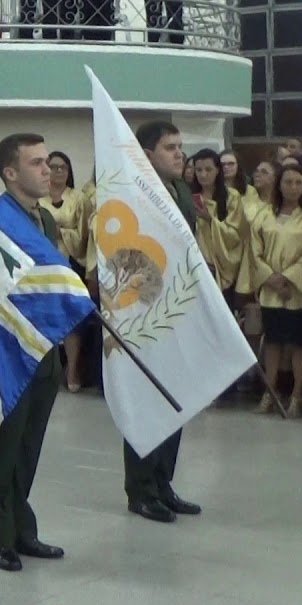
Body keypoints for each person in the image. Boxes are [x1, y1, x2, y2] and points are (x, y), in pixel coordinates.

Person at [0, 133, 65, 573]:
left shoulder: (46, 220)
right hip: (9, 352)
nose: (47, 169)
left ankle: (21, 528)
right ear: (10, 172)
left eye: (47, 161)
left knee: (29, 446)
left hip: (45, 351)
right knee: (4, 445)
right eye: (36, 163)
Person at [121, 121, 200, 523]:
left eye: (180, 146)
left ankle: (163, 482)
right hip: (146, 310)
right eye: (170, 147)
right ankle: (141, 488)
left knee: (174, 400)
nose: (179, 154)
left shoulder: (182, 191)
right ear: (147, 153)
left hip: (179, 306)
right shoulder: (134, 193)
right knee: (147, 400)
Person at [239, 165, 302, 417]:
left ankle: (297, 394)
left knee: (298, 345)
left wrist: (288, 279)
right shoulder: (265, 214)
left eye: (298, 183)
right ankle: (269, 394)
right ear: (279, 185)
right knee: (272, 343)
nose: (293, 187)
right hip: (271, 290)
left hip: (298, 291)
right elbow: (254, 251)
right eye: (288, 182)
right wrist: (270, 278)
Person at [41, 150, 85, 390]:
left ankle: (73, 371)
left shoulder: (78, 199)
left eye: (63, 168)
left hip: (70, 265)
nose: (58, 171)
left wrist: (61, 233)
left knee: (70, 321)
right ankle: (46, 371)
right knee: (45, 319)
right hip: (41, 267)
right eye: (53, 166)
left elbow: (83, 235)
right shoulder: (37, 197)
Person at [188, 149, 244, 298]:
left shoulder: (232, 197)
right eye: (198, 170)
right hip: (194, 267)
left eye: (208, 169)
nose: (203, 174)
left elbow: (235, 235)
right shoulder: (188, 196)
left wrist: (209, 220)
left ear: (218, 170)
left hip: (221, 266)